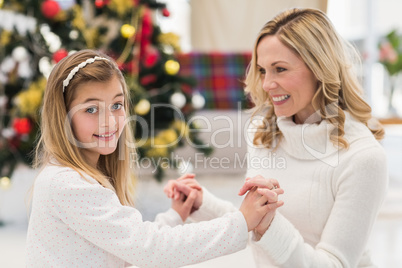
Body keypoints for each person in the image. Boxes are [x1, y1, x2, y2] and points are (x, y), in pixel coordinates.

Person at [165, 8, 388, 267]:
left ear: (320, 69)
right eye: (262, 70)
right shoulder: (263, 132)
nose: (267, 84)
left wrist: (270, 223)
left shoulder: (363, 158)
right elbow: (257, 224)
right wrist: (203, 204)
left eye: (280, 69)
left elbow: (332, 263)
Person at [26, 49, 284, 267]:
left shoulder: (77, 177)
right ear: (62, 117)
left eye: (116, 105)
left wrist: (174, 216)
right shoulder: (67, 184)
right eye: (91, 109)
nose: (109, 121)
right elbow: (150, 249)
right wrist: (240, 222)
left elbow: (126, 244)